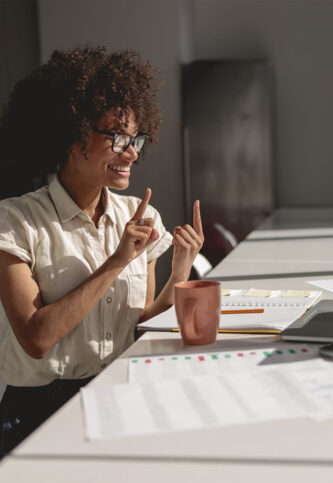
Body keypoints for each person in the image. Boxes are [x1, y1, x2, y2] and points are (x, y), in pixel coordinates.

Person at [0, 46, 204, 455]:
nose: (132, 152)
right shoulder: (15, 221)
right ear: (73, 136)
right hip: (39, 412)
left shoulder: (141, 217)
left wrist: (180, 271)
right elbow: (36, 338)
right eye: (117, 137)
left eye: (135, 138)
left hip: (120, 395)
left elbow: (141, 325)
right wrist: (116, 262)